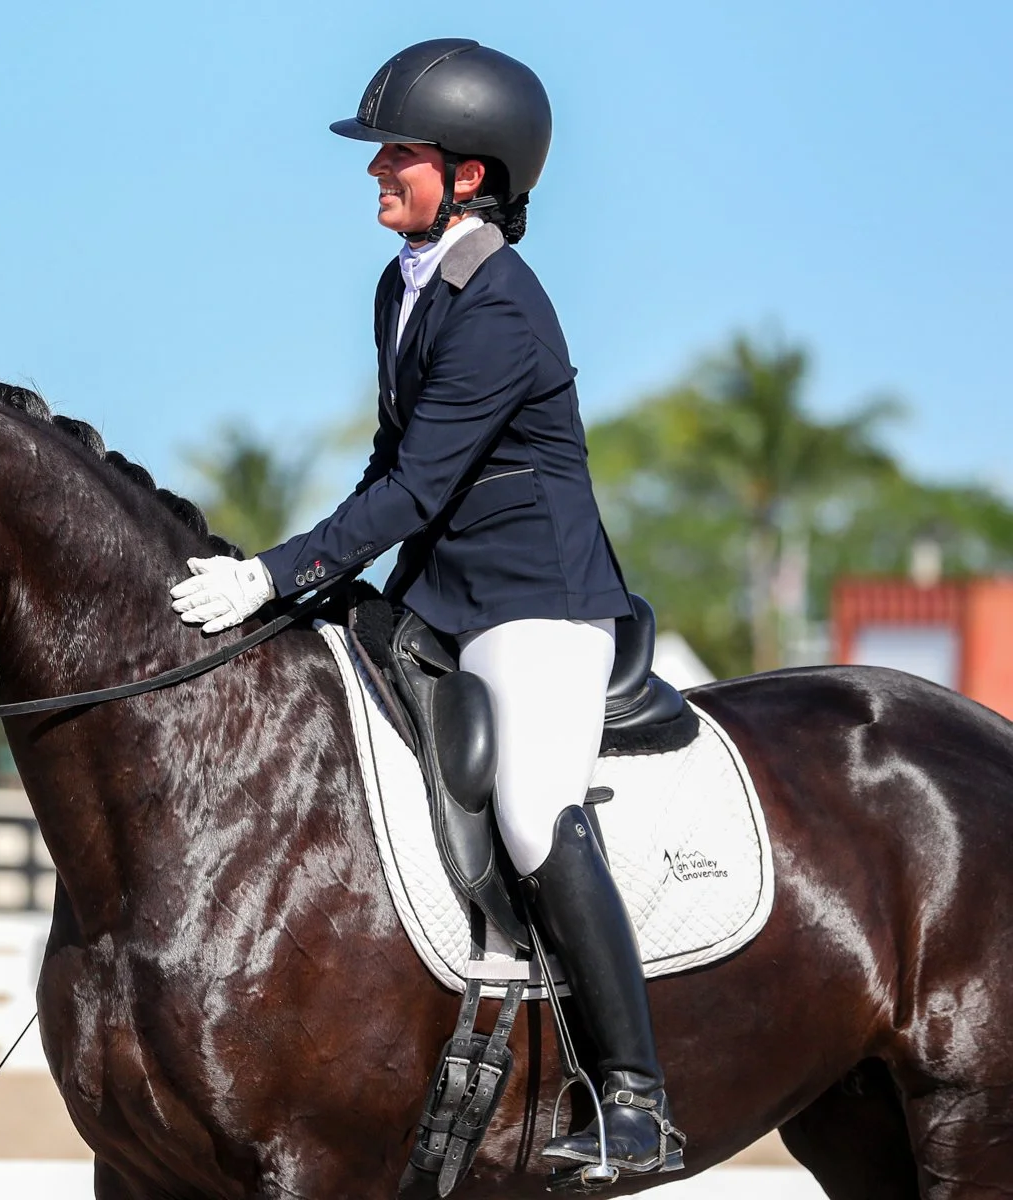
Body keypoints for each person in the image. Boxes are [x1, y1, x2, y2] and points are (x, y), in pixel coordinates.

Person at [168, 39, 684, 1180]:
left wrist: (273, 571)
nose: (375, 172)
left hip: (532, 601)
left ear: (467, 171)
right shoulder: (404, 287)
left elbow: (419, 489)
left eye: (396, 153)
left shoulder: (500, 304)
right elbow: (385, 467)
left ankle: (637, 1100)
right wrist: (299, 580)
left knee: (537, 810)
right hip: (438, 596)